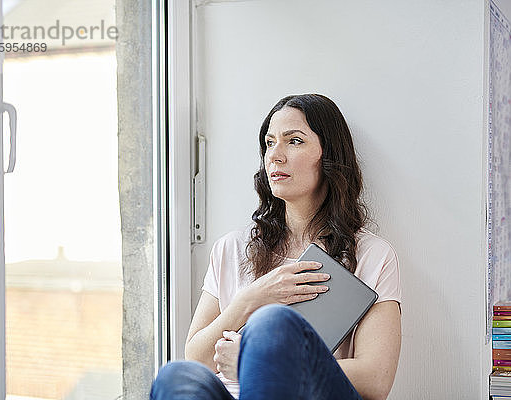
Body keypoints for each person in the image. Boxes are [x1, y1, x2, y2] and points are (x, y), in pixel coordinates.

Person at [150, 94, 401, 400]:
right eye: (269, 143)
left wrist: (255, 360)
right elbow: (197, 357)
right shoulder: (231, 248)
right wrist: (252, 298)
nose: (275, 156)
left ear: (329, 155)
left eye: (294, 141)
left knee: (272, 324)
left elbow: (376, 380)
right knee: (176, 376)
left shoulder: (372, 255)